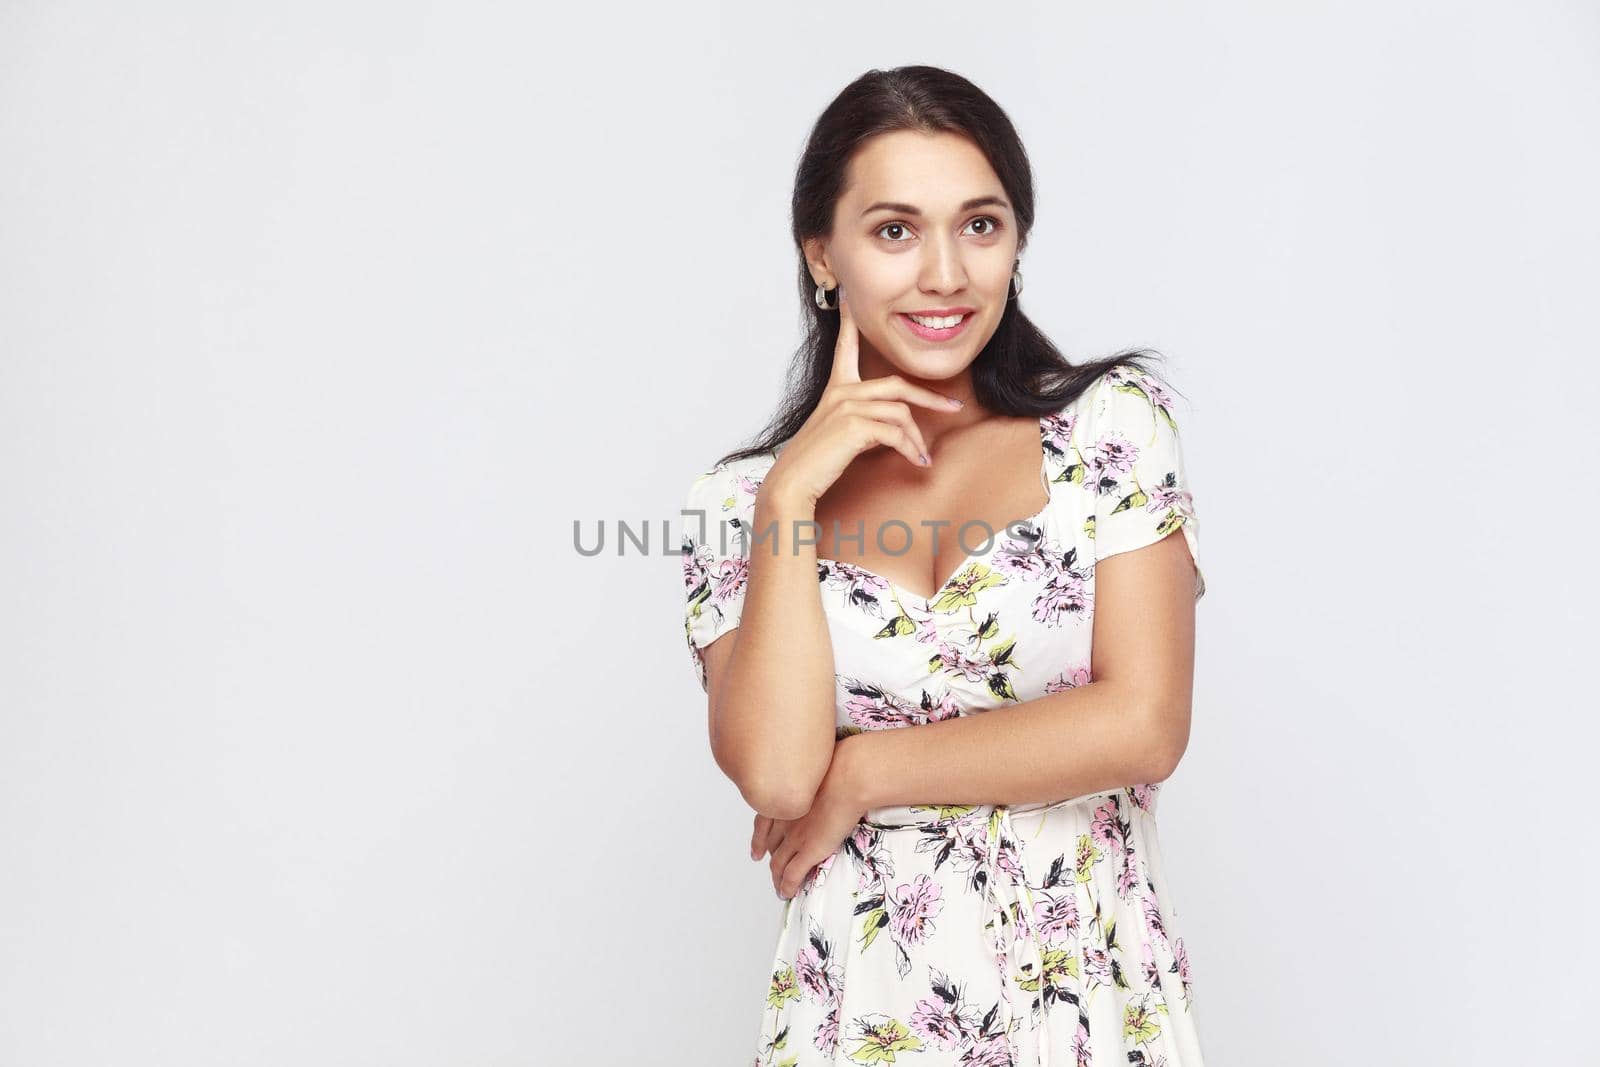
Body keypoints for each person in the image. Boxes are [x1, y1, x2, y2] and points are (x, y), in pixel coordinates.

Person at [678, 65, 1210, 1067]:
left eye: (978, 225)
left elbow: (1143, 724)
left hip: (1087, 995)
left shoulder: (1108, 430)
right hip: (859, 1014)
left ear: (1015, 242)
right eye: (893, 231)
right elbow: (783, 774)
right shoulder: (736, 503)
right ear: (821, 255)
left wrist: (870, 770)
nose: (945, 274)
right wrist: (790, 499)